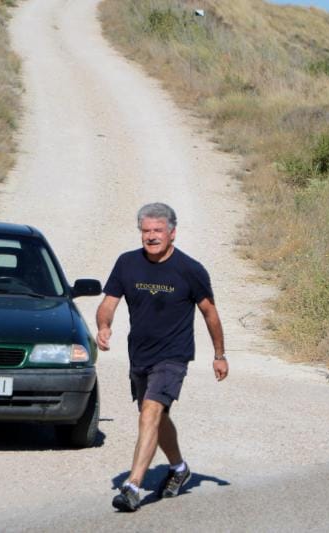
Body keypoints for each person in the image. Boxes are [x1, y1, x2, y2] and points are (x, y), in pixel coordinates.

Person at [96, 202, 228, 512]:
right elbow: (109, 302)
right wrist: (104, 326)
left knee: (151, 412)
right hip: (140, 355)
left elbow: (209, 312)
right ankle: (179, 469)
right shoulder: (127, 263)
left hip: (173, 355)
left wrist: (219, 354)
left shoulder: (190, 269)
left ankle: (132, 486)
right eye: (146, 231)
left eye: (158, 230)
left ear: (172, 233)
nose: (151, 236)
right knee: (154, 416)